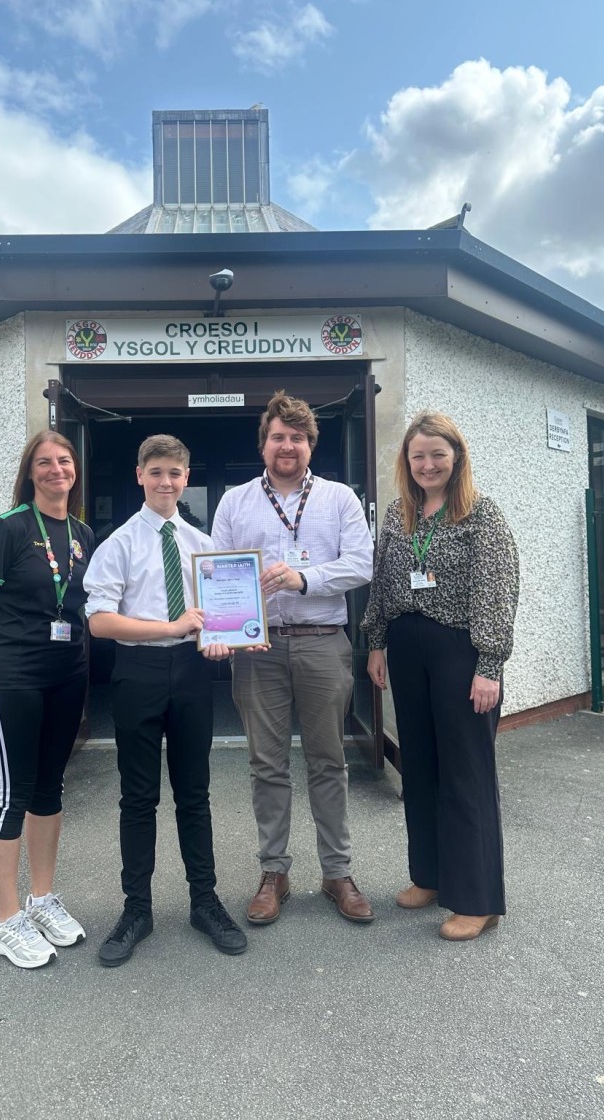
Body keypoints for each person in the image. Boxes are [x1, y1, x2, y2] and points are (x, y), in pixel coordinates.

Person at [211, 391, 376, 926]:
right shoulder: (235, 502)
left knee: (329, 760)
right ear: (264, 444)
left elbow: (362, 564)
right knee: (266, 764)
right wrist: (227, 628)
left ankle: (337, 873)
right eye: (279, 436)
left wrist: (304, 578)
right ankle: (273, 873)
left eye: (298, 437)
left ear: (311, 445)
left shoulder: (339, 499)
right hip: (257, 649)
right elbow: (217, 570)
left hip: (323, 641)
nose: (288, 445)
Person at [83, 435, 247, 967]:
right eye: (155, 472)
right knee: (137, 797)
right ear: (139, 475)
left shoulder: (202, 544)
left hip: (193, 672)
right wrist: (170, 626)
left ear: (186, 477)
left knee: (194, 794)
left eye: (175, 473)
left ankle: (205, 902)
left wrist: (223, 638)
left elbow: (218, 617)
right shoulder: (119, 544)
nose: (165, 482)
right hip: (139, 672)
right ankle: (137, 910)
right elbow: (100, 621)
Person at [363, 411, 519, 941]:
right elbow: (382, 581)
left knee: (465, 773)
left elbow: (497, 590)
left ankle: (478, 899)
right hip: (406, 647)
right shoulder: (398, 513)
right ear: (406, 461)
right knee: (421, 767)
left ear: (457, 457)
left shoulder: (480, 514)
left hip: (459, 651)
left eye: (438, 455)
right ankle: (429, 876)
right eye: (418, 456)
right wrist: (377, 641)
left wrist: (489, 665)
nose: (427, 465)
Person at [0, 430, 94, 969]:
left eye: (64, 460)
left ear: (75, 469)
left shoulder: (83, 533)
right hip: (12, 678)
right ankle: (7, 919)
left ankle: (42, 901)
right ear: (30, 471)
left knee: (49, 788)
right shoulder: (9, 527)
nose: (57, 469)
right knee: (12, 795)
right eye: (45, 462)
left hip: (67, 676)